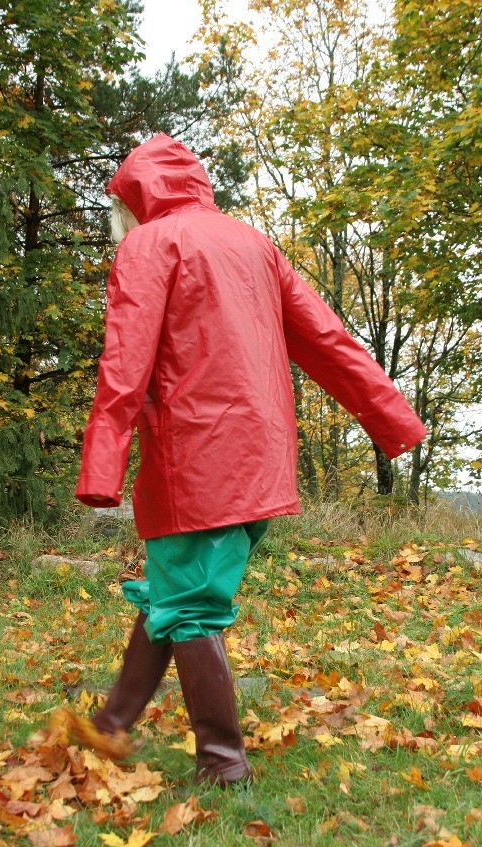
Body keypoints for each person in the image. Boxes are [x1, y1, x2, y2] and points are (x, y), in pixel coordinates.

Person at [65, 133, 426, 785]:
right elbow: (327, 339)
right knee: (171, 594)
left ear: (136, 196)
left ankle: (223, 762)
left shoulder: (147, 244)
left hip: (194, 457)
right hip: (259, 460)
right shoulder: (252, 242)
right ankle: (111, 727)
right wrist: (390, 416)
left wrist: (101, 467)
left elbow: (125, 365)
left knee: (190, 604)